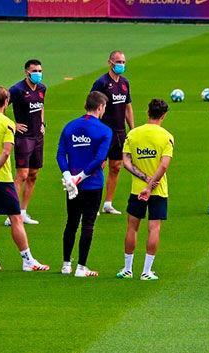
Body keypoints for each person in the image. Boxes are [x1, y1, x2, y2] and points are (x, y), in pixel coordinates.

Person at [0, 86, 48, 272]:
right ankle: (27, 260)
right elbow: (5, 152)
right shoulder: (7, 123)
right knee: (16, 218)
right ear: (6, 102)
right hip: (2, 178)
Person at [56, 91, 112, 278]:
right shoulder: (105, 130)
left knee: (71, 222)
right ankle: (81, 267)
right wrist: (79, 177)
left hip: (71, 185)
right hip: (92, 184)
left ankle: (65, 264)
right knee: (88, 224)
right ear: (99, 107)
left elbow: (60, 155)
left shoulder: (70, 126)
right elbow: (99, 159)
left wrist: (68, 177)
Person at [118, 99, 175, 280]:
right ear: (164, 115)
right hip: (158, 190)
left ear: (147, 112)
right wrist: (151, 185)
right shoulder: (167, 136)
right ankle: (146, 271)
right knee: (154, 228)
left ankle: (127, 269)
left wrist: (144, 179)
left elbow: (126, 161)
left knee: (132, 227)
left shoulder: (133, 134)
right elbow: (164, 166)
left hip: (137, 189)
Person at [91, 50, 134, 215]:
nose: (121, 65)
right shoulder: (101, 83)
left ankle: (108, 203)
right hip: (103, 132)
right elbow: (92, 107)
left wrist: (132, 128)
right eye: (118, 62)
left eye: (123, 62)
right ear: (110, 62)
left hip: (119, 131)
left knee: (116, 166)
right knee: (98, 166)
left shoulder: (124, 83)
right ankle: (93, 204)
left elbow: (128, 106)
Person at [8, 59, 47, 226]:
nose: (38, 73)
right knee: (22, 175)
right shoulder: (17, 90)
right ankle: (12, 213)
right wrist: (13, 125)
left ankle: (23, 212)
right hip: (24, 138)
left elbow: (41, 106)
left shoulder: (42, 88)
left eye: (39, 70)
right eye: (34, 71)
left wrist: (43, 123)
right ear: (26, 72)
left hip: (38, 137)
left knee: (33, 174)